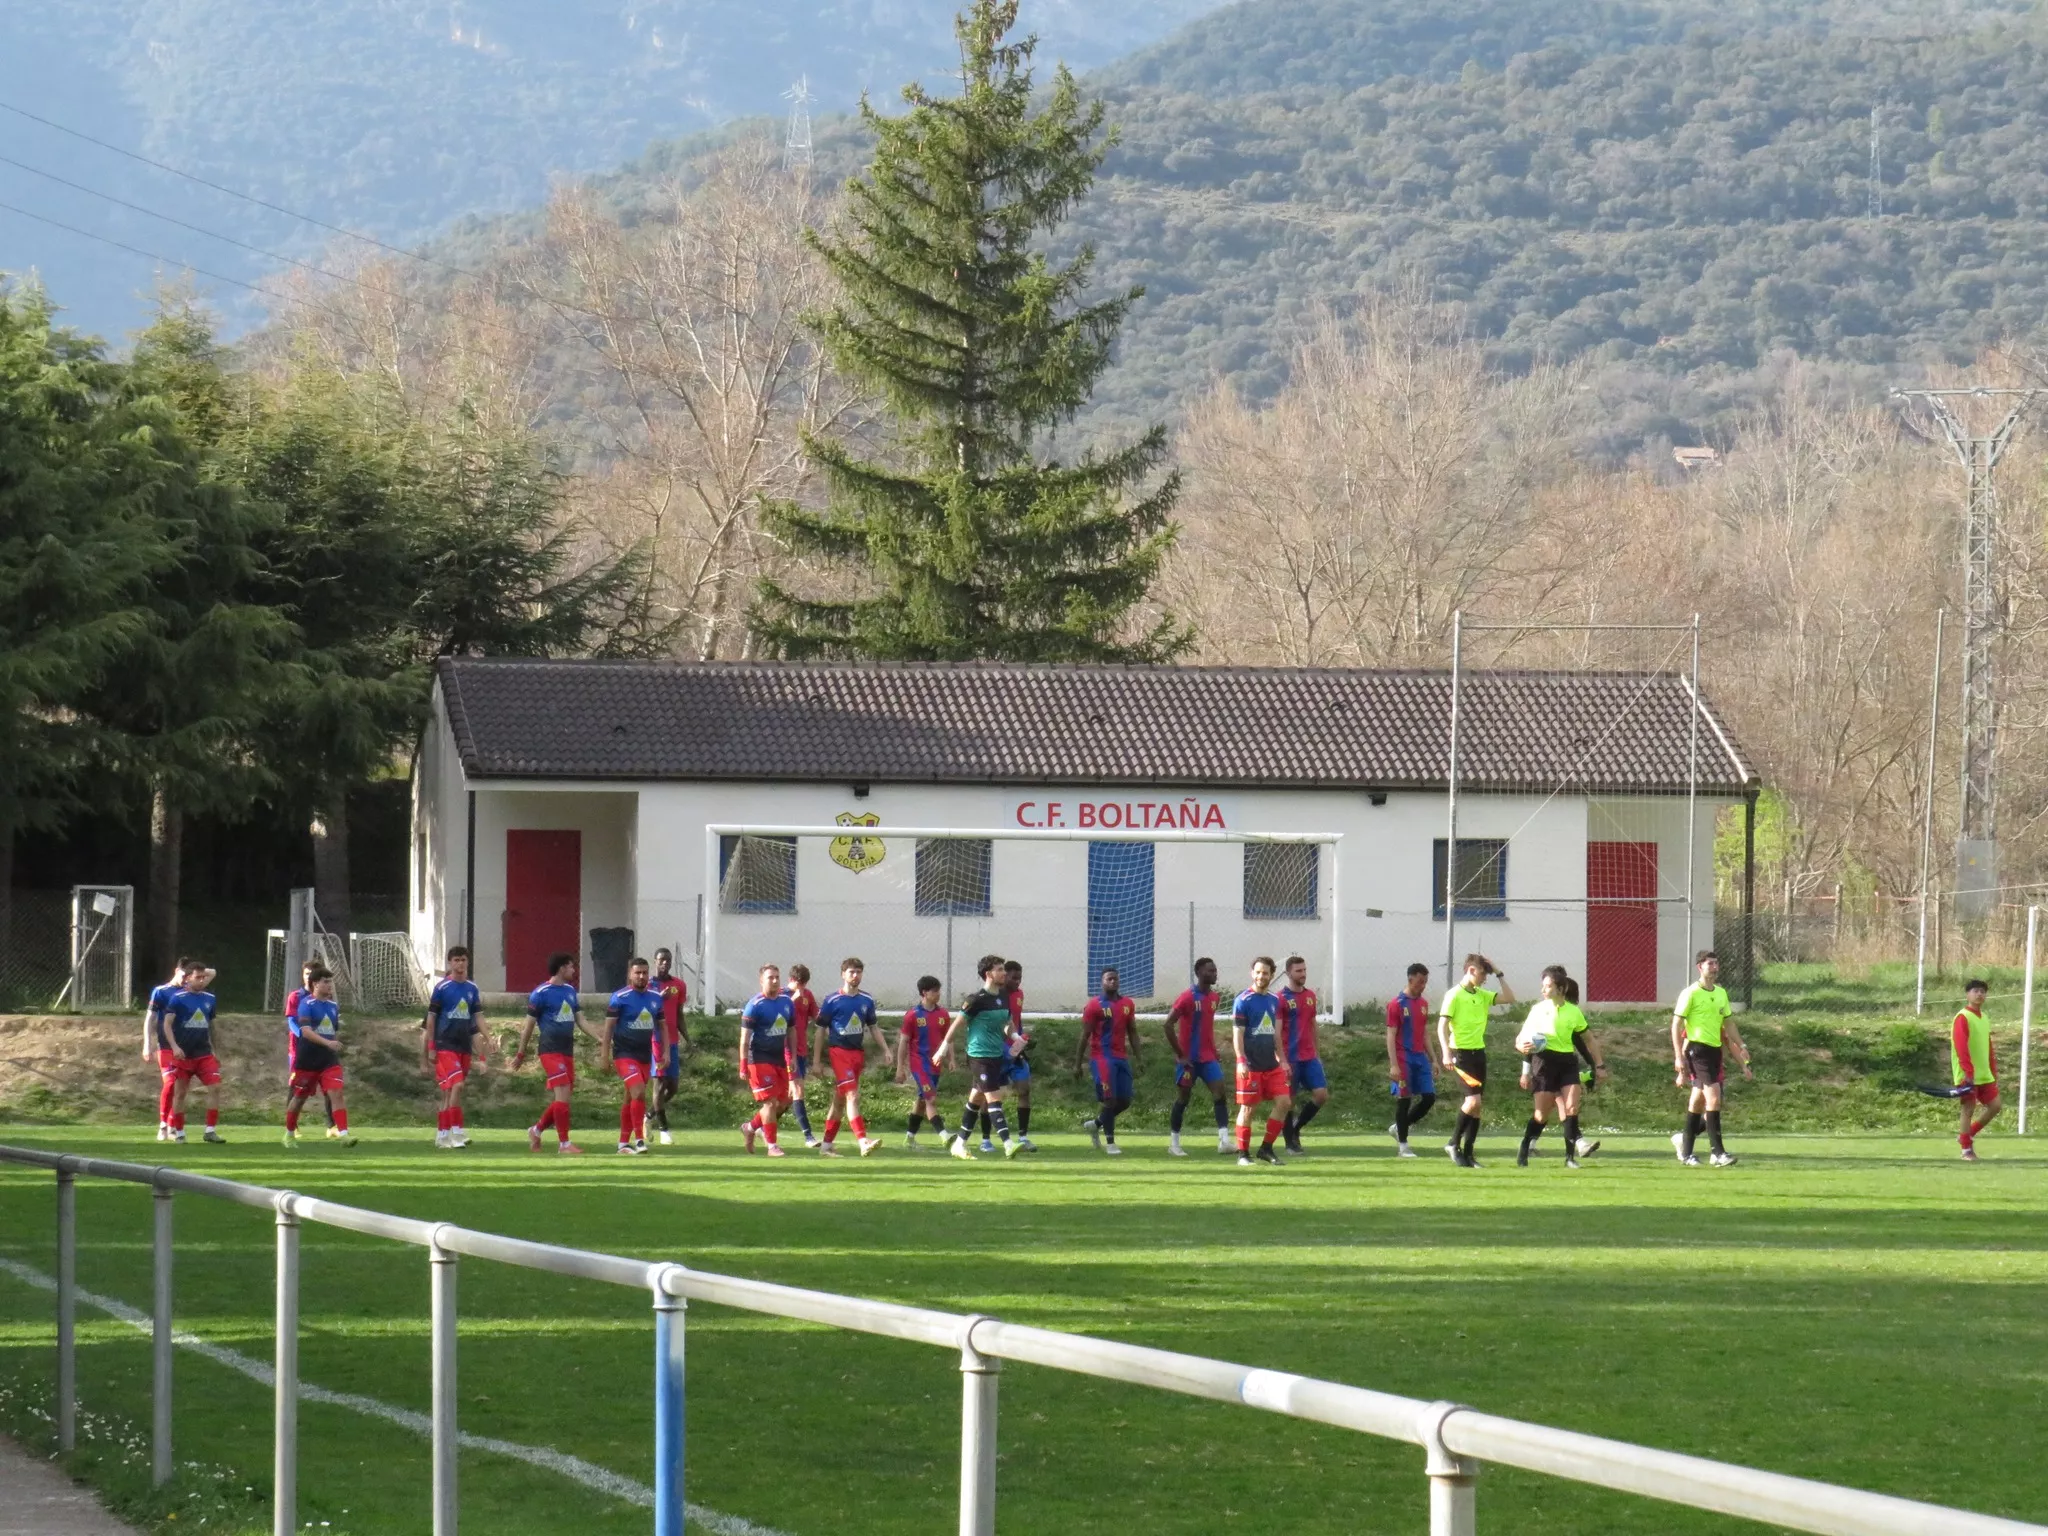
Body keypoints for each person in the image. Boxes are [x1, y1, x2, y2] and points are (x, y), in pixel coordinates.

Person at [1514, 968, 1607, 1169]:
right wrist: (1522, 1048)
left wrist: (1599, 1065)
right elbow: (1521, 1038)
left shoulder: (1573, 1012)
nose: (1543, 990)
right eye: (1543, 986)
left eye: (1548, 986)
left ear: (1561, 989)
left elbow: (1589, 1039)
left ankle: (1569, 1158)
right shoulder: (1537, 1010)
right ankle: (1525, 1146)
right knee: (1541, 1115)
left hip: (1567, 1062)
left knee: (1572, 1107)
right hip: (1544, 1062)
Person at [940, 955, 1025, 1160]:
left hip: (996, 1055)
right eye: (1000, 969)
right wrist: (943, 1048)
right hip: (979, 1056)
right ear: (988, 974)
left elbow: (1007, 1022)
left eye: (1004, 969)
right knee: (993, 1098)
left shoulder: (1003, 996)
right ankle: (1008, 1144)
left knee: (975, 1100)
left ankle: (959, 1144)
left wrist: (1015, 1037)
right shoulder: (975, 1000)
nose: (1004, 973)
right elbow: (957, 1024)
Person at [1671, 949, 1750, 1167]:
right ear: (1700, 967)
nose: (1714, 968)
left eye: (1716, 964)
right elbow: (1677, 1025)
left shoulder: (1721, 993)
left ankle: (1686, 1151)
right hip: (1698, 1050)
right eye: (1710, 964)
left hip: (1715, 1052)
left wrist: (1741, 1045)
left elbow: (1729, 1023)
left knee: (1697, 1102)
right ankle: (1718, 1152)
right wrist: (1678, 1057)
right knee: (1714, 1099)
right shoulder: (1690, 993)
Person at [1437, 953, 1515, 1168]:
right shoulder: (1454, 995)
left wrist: (1499, 973)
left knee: (1476, 1107)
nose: (1484, 978)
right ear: (1471, 970)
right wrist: (1445, 1053)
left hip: (1478, 1054)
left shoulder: (1481, 995)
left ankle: (1469, 1155)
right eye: (1482, 973)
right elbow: (1442, 1027)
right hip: (1460, 1054)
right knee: (1473, 1102)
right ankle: (1453, 1143)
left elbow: (1509, 998)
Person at [514, 951, 593, 1154]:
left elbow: (581, 1020)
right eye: (571, 967)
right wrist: (521, 1053)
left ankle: (537, 1130)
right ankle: (564, 1144)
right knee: (563, 1092)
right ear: (561, 968)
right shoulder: (540, 993)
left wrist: (599, 1038)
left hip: (567, 1050)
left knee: (563, 1098)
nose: (574, 970)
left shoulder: (570, 992)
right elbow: (529, 1026)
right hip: (549, 1050)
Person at [1164, 957, 1233, 1156]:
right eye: (1210, 971)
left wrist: (1213, 1049)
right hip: (1189, 1060)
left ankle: (1224, 1141)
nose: (1214, 974)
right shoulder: (1187, 997)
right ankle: (1174, 1144)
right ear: (1199, 973)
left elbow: (1205, 1027)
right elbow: (1168, 1024)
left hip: (1208, 1058)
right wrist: (1180, 1054)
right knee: (1183, 1099)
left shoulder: (1214, 998)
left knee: (1220, 1092)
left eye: (1215, 970)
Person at [815, 957, 883, 1157]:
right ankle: (863, 1141)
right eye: (852, 972)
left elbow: (873, 1027)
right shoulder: (832, 1000)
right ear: (843, 974)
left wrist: (886, 1050)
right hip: (839, 1052)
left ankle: (826, 1146)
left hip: (857, 1054)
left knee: (840, 1100)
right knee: (852, 1095)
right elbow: (820, 1030)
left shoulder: (866, 1000)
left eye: (859, 972)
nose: (856, 976)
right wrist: (817, 1061)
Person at [423, 946, 488, 1149]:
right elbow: (430, 1020)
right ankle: (457, 1131)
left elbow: (477, 1017)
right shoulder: (442, 988)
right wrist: (431, 1047)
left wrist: (488, 1037)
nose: (460, 964)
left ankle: (442, 1136)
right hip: (445, 1045)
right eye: (456, 960)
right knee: (458, 1085)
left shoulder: (472, 988)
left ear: (467, 963)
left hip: (464, 1046)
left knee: (449, 1091)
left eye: (463, 960)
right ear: (450, 964)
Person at [284, 969, 355, 1147]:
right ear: (315, 984)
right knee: (299, 1097)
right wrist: (327, 1042)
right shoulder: (306, 1004)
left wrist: (332, 1043)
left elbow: (332, 1030)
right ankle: (289, 1134)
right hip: (308, 1059)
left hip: (328, 1060)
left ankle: (344, 1134)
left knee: (336, 1093)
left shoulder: (333, 1006)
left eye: (330, 982)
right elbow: (306, 1032)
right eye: (326, 982)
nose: (330, 985)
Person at [1232, 957, 1293, 1165]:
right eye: (1257, 972)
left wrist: (1282, 1060)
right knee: (1248, 1109)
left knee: (1284, 1102)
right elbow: (1237, 1035)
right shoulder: (1243, 1000)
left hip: (1272, 1065)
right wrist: (1241, 1060)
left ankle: (1266, 1149)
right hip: (1251, 1065)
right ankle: (1243, 1154)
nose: (1261, 976)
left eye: (1265, 973)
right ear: (1252, 974)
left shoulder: (1275, 1000)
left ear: (1272, 975)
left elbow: (1276, 1035)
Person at [1076, 966, 1140, 1155]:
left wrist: (1139, 1057)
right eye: (1109, 979)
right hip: (1102, 1057)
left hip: (1121, 1057)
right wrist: (1078, 1063)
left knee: (1125, 1100)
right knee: (1109, 1100)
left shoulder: (1127, 1004)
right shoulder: (1094, 1005)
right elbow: (1085, 1035)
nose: (1113, 982)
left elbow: (1133, 1031)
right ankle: (1110, 1143)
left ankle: (1096, 1124)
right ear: (1102, 982)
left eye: (1115, 979)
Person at [604, 958, 664, 1154]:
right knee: (638, 1091)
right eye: (637, 973)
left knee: (630, 1099)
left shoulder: (655, 997)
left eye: (645, 972)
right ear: (630, 974)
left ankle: (623, 1143)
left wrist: (665, 1053)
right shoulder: (619, 997)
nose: (641, 976)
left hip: (644, 1055)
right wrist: (604, 1056)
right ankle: (639, 1139)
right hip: (624, 1053)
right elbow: (608, 1030)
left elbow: (662, 1027)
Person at [162, 962, 227, 1144]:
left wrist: (217, 1050)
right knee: (180, 1093)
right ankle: (179, 1131)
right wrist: (174, 1046)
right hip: (183, 1055)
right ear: (188, 978)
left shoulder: (209, 998)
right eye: (197, 977)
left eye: (203, 977)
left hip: (204, 1053)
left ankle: (210, 1131)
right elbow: (167, 1023)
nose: (201, 980)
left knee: (215, 1087)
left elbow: (212, 1026)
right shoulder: (178, 998)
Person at [979, 959, 1035, 1151]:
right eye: (1013, 977)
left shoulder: (1019, 994)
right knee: (990, 1095)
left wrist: (1021, 1042)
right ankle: (986, 1139)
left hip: (1016, 1051)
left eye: (1020, 978)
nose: (1017, 981)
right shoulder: (995, 996)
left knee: (1024, 1089)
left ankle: (1023, 1137)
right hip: (995, 1051)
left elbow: (1014, 1022)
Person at [739, 963, 794, 1157]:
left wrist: (792, 1056)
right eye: (770, 977)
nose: (775, 981)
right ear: (761, 981)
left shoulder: (786, 1003)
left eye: (777, 977)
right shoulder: (755, 1005)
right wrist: (743, 1064)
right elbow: (745, 1039)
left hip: (779, 1057)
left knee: (784, 1101)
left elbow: (791, 1030)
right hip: (759, 1058)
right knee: (770, 1103)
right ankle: (772, 1146)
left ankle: (750, 1127)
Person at [143, 957, 199, 1141]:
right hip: (165, 1046)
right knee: (169, 1082)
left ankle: (173, 1124)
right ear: (176, 970)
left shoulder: (189, 993)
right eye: (184, 974)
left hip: (186, 1047)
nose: (185, 979)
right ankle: (163, 1125)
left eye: (189, 976)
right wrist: (147, 1043)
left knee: (181, 1089)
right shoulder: (161, 991)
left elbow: (211, 973)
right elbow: (150, 1018)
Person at [281, 960, 339, 1138]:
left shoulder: (328, 1000)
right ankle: (293, 1126)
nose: (308, 977)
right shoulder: (296, 997)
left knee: (331, 1088)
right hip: (300, 1050)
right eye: (305, 974)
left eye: (311, 974)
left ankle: (332, 1125)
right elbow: (291, 1020)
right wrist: (305, 1035)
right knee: (297, 1088)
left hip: (323, 1050)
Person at [1385, 963, 1435, 1158]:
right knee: (1404, 1099)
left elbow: (1424, 1034)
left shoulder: (1423, 1004)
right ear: (1410, 979)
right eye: (1420, 981)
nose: (1422, 986)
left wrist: (1434, 1059)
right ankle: (1403, 1147)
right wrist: (1393, 1064)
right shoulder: (1396, 1004)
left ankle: (1399, 1127)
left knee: (1429, 1097)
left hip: (1419, 1057)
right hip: (1403, 1057)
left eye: (1425, 982)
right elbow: (1390, 1035)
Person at [1278, 955, 1326, 1155]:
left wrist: (1318, 1053)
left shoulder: (1310, 996)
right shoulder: (1281, 998)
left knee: (1321, 1095)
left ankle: (1296, 1128)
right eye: (1299, 971)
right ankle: (1290, 1143)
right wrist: (1281, 1059)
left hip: (1309, 1057)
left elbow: (1313, 1025)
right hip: (1290, 1057)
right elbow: (1277, 1031)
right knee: (1289, 1101)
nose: (1303, 974)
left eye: (1304, 970)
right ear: (1289, 973)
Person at [898, 976, 953, 1150]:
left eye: (938, 990)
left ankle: (909, 1138)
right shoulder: (913, 1015)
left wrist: (952, 1059)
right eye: (935, 991)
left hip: (935, 1064)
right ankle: (944, 1136)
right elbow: (903, 1042)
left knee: (922, 1101)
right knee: (931, 1099)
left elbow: (948, 1039)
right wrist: (900, 1066)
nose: (938, 994)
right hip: (919, 1063)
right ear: (924, 993)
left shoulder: (943, 1014)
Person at [1951, 978, 2001, 1161]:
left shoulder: (1984, 1017)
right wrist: (1967, 1071)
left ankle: (1967, 1134)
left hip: (1984, 1073)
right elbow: (1960, 1045)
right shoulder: (1963, 1017)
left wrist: (1992, 1070)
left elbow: (1987, 1046)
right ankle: (1966, 1150)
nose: (1979, 994)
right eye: (1975, 991)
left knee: (1995, 1106)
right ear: (1968, 994)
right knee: (1968, 1109)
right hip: (1967, 1073)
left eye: (1982, 991)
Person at [649, 948, 692, 1146]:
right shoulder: (648, 985)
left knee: (673, 1087)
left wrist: (688, 1039)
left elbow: (679, 1014)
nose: (664, 963)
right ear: (655, 962)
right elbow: (642, 1011)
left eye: (667, 960)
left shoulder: (678, 985)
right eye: (661, 960)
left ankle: (649, 1115)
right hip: (656, 1039)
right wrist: (659, 998)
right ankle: (664, 1130)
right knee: (659, 1083)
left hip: (672, 1040)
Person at [784, 964, 821, 1148]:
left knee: (788, 1097)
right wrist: (793, 1000)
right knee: (798, 1090)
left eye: (804, 984)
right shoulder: (783, 995)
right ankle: (808, 1136)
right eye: (799, 983)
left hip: (801, 1050)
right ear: (791, 980)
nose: (802, 988)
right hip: (786, 1050)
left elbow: (818, 1017)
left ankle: (755, 1126)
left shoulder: (808, 996)